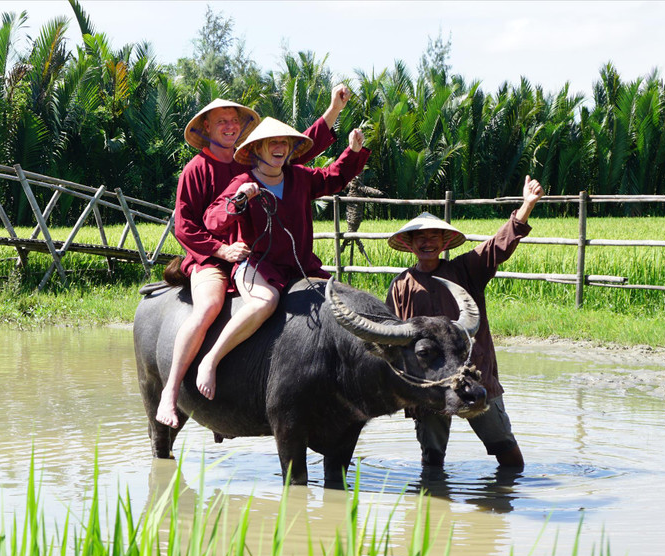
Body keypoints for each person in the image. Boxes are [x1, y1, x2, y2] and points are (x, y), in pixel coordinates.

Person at [156, 87, 351, 429]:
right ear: (206, 128)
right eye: (221, 122)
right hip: (215, 258)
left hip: (258, 251)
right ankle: (170, 393)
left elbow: (300, 146)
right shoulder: (196, 170)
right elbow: (185, 226)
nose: (229, 126)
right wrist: (220, 250)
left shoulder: (255, 159)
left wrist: (334, 109)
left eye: (234, 121)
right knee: (208, 307)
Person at [197, 117, 370, 399]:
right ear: (258, 149)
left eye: (285, 143)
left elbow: (334, 177)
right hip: (257, 265)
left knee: (340, 299)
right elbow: (212, 221)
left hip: (300, 267)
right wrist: (240, 200)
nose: (279, 147)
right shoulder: (243, 182)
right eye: (272, 142)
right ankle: (211, 359)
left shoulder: (299, 177)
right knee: (266, 302)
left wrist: (352, 150)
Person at [385, 175, 545, 469]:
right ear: (409, 244)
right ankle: (434, 505)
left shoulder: (466, 270)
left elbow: (499, 246)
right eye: (420, 238)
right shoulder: (401, 286)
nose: (427, 243)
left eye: (434, 237)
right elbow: (392, 339)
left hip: (475, 374)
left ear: (445, 242)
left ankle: (509, 495)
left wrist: (527, 206)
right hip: (429, 384)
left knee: (504, 448)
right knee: (431, 459)